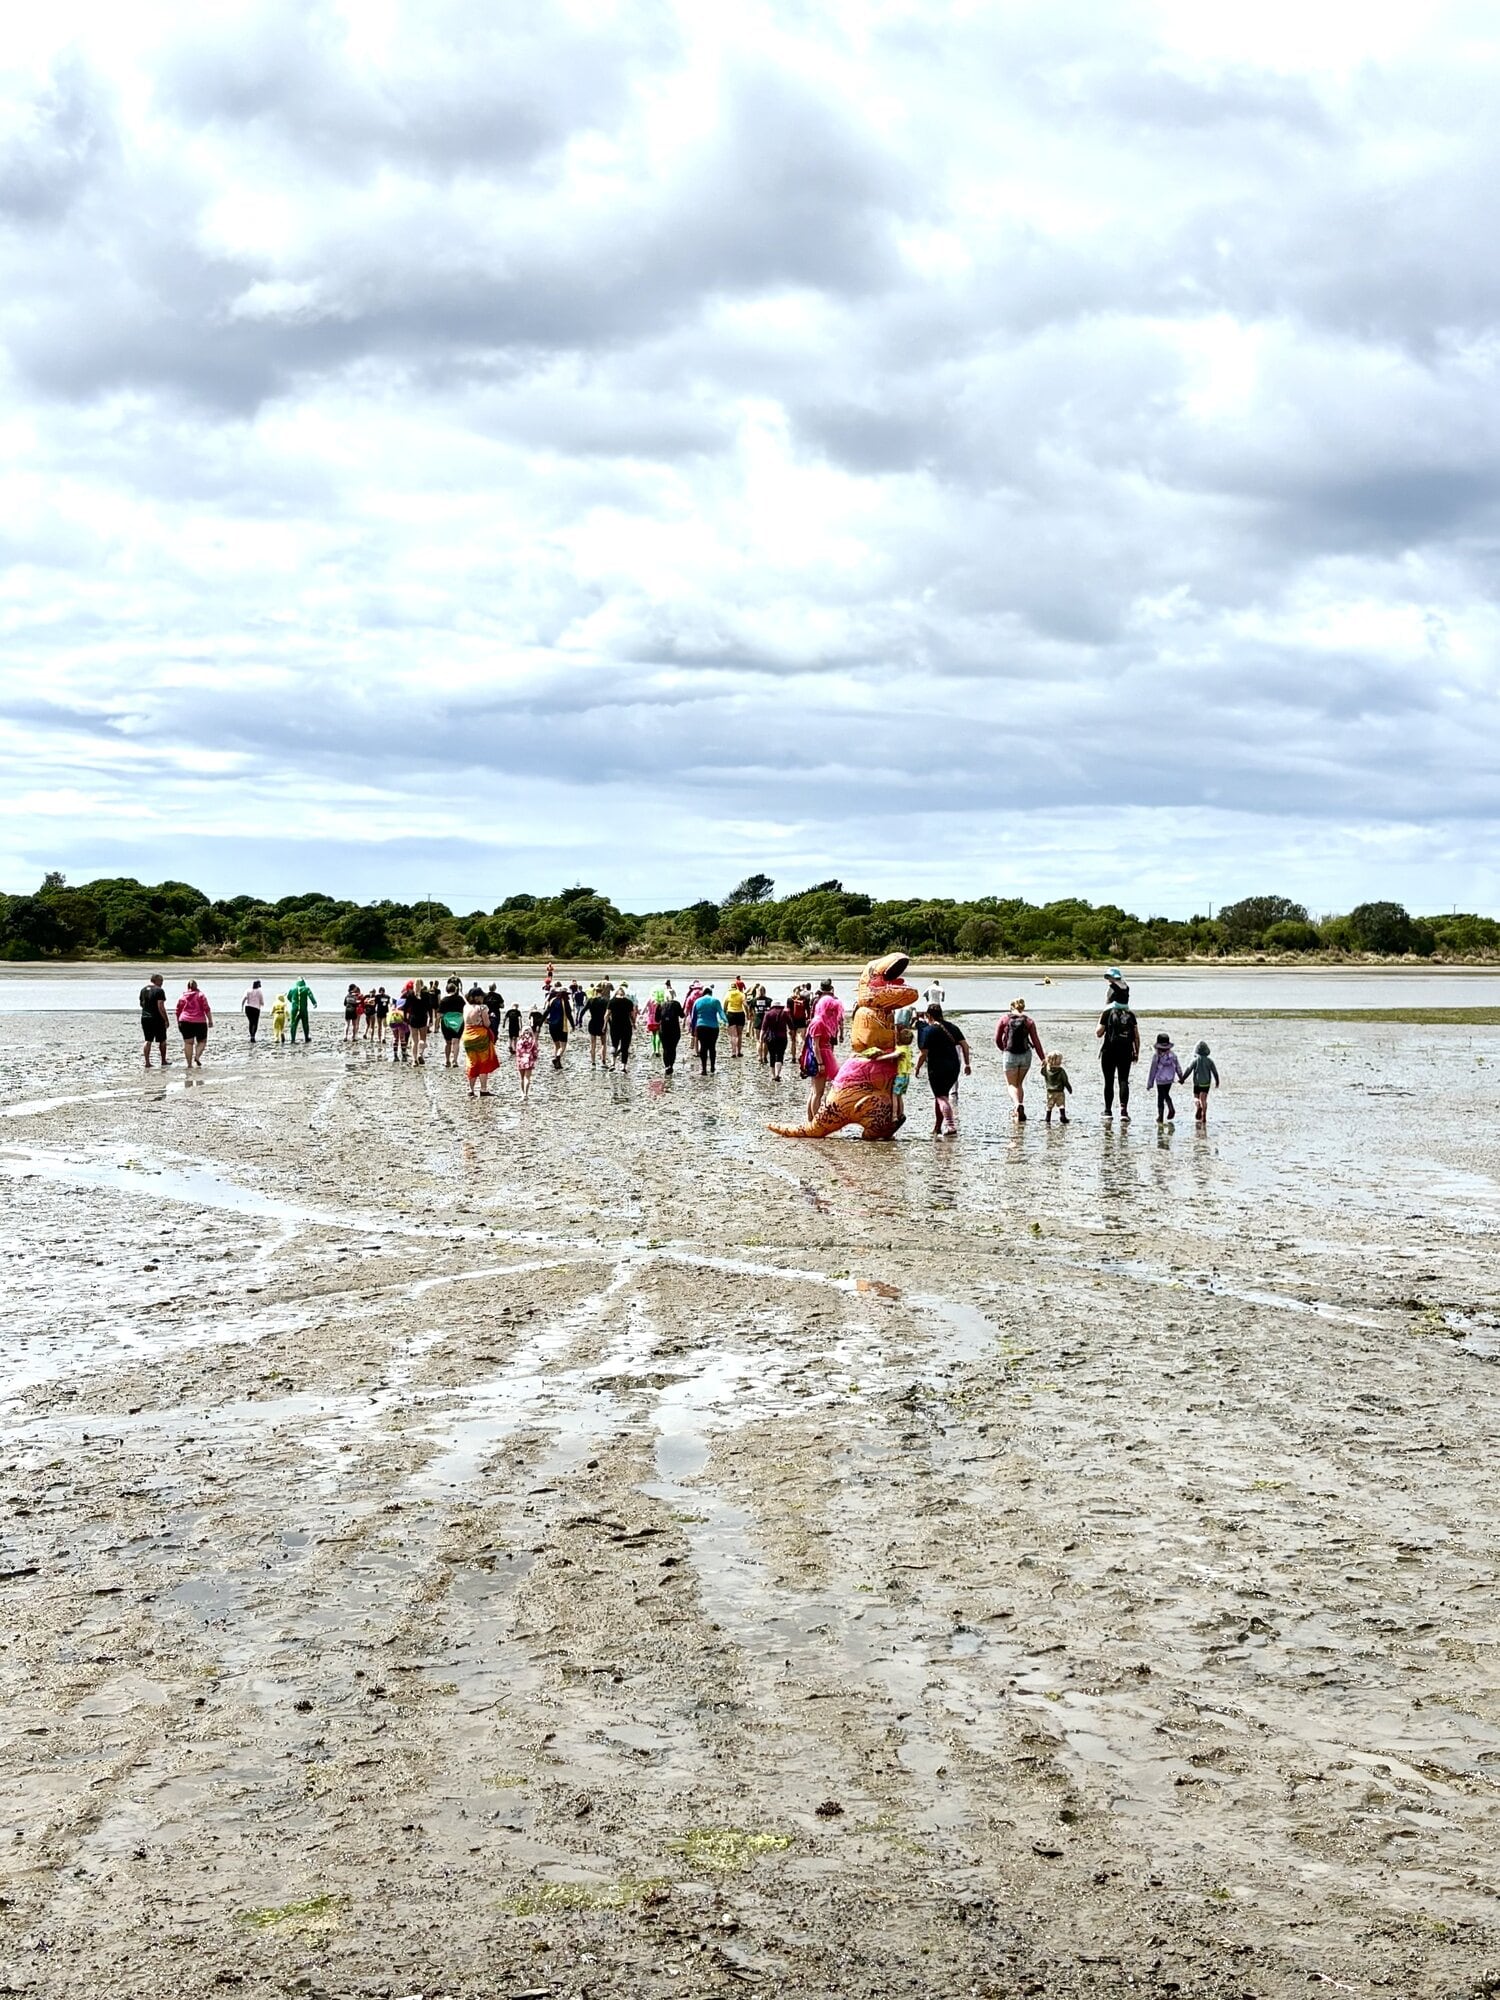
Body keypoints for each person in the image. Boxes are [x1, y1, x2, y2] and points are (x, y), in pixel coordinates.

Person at [915, 1003, 970, 1136]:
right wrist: (967, 1064)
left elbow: (923, 1053)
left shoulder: (929, 1030)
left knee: (941, 1097)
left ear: (928, 1015)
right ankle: (937, 1127)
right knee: (941, 1095)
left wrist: (917, 1067)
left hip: (937, 1067)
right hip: (954, 1066)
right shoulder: (952, 1027)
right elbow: (965, 1046)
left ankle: (950, 1124)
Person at [994, 997, 1046, 1121]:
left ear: (1011, 1007)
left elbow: (997, 1039)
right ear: (1023, 1007)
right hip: (1025, 1055)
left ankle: (1017, 1105)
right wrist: (1043, 1058)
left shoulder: (1004, 1019)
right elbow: (1036, 1041)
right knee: (1019, 1084)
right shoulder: (1029, 1021)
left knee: (1011, 1085)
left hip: (1010, 1054)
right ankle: (1018, 1109)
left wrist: (1004, 1049)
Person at [1096, 986, 1140, 1121]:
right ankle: (1123, 1112)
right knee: (1123, 1080)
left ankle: (1108, 1111)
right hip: (1125, 1051)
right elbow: (1137, 1036)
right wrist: (1136, 1052)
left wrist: (1100, 1018)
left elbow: (1098, 1033)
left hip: (1109, 1051)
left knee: (1108, 1081)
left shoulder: (1107, 1013)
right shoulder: (1131, 1015)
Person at [803, 981, 845, 1122]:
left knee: (815, 1091)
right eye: (831, 1010)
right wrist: (820, 1064)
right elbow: (815, 1046)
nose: (833, 1013)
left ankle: (811, 1119)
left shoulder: (820, 1021)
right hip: (819, 1057)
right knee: (818, 1092)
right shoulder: (819, 1022)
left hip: (822, 1056)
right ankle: (815, 1121)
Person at [462, 985, 500, 1098]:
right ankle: (483, 1089)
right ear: (477, 997)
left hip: (467, 1036)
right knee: (483, 1062)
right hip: (480, 1036)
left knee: (472, 1062)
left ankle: (471, 1089)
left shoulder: (465, 1007)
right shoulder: (483, 1008)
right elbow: (487, 1023)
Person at [175, 978, 213, 1068]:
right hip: (199, 1021)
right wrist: (210, 1020)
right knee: (202, 1041)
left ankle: (189, 1064)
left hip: (184, 1021)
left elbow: (177, 1010)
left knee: (188, 1043)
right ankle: (197, 1056)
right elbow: (206, 1008)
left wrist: (178, 1021)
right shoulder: (201, 995)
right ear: (197, 986)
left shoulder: (182, 996)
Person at [1148, 1033, 1185, 1124]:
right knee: (1166, 1094)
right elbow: (1178, 1067)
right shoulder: (1172, 1055)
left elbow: (1153, 1070)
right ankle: (1169, 1107)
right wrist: (1181, 1077)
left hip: (1160, 1080)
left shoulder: (1156, 1056)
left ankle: (1161, 1115)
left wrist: (1150, 1083)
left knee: (1161, 1097)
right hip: (1169, 1079)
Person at [692, 985, 726, 1074]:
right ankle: (712, 1067)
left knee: (703, 1046)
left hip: (701, 1026)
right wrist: (726, 1021)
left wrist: (693, 1029)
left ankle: (704, 1069)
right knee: (712, 1047)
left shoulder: (697, 1001)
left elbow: (693, 1017)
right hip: (713, 1027)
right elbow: (721, 1013)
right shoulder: (715, 1001)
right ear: (711, 992)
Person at [139, 973, 170, 1068]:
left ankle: (147, 1062)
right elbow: (160, 1006)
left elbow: (141, 1004)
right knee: (162, 1040)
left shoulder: (143, 990)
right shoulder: (159, 990)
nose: (162, 983)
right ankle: (163, 1060)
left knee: (148, 1040)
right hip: (157, 1018)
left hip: (145, 1017)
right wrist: (166, 1019)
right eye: (161, 981)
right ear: (156, 980)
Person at [1189, 1040, 1221, 1123]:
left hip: (1197, 1083)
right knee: (1203, 1099)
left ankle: (1198, 1105)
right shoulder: (1210, 1061)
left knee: (1196, 1098)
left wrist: (1182, 1079)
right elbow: (1215, 1072)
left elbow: (1188, 1070)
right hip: (1206, 1083)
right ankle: (1204, 1116)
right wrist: (1217, 1081)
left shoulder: (1195, 1060)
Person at [760, 995, 789, 1080]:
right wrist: (793, 1034)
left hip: (771, 1038)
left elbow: (763, 1027)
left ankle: (773, 1075)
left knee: (772, 1055)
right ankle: (777, 1074)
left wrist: (761, 1038)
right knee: (780, 1055)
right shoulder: (785, 1013)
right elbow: (791, 1025)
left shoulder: (768, 1014)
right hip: (782, 1037)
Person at [607, 984, 637, 1068]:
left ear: (616, 993)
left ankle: (613, 1063)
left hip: (615, 1026)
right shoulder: (628, 1002)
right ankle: (623, 1066)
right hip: (626, 1026)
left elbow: (607, 1014)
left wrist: (604, 1024)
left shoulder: (612, 1001)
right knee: (625, 1047)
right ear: (624, 994)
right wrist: (634, 1023)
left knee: (614, 1044)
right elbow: (632, 1015)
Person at [658, 988, 685, 1076]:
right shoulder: (676, 1004)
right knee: (672, 1049)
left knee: (665, 1048)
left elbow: (656, 1019)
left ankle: (667, 1066)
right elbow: (682, 1015)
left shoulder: (661, 1005)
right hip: (675, 1030)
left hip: (663, 1030)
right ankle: (671, 1065)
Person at [545, 985, 573, 1068]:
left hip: (552, 1025)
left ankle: (557, 1062)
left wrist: (541, 1022)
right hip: (561, 1026)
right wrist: (573, 1025)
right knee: (563, 1046)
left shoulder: (552, 1000)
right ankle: (557, 1057)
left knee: (556, 1044)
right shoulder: (565, 1002)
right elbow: (569, 1015)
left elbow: (547, 1012)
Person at [438, 985, 466, 1069]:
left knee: (448, 1042)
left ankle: (447, 1060)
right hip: (459, 1021)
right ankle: (455, 1060)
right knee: (456, 1042)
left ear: (447, 990)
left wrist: (436, 1024)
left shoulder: (444, 1000)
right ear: (455, 989)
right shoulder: (460, 999)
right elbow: (465, 1007)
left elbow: (439, 1014)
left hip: (446, 1022)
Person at [404, 980, 431, 1064]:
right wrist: (431, 1019)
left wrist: (405, 1019)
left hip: (413, 1019)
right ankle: (420, 1054)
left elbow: (405, 1008)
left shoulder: (410, 995)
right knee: (422, 1039)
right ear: (422, 985)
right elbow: (429, 1008)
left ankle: (414, 1060)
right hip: (423, 1018)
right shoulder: (426, 995)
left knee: (414, 1041)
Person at [1042, 1050, 1072, 1124]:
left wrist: (1044, 1065)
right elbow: (1065, 1080)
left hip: (1050, 1092)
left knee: (1049, 1105)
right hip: (1059, 1091)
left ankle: (1048, 1117)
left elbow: (1042, 1072)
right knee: (1061, 1104)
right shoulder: (1061, 1071)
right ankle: (1062, 1116)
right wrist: (1069, 1088)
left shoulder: (1046, 1070)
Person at [585, 984, 610, 1067]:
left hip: (593, 1022)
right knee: (603, 1043)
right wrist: (609, 1023)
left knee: (593, 1043)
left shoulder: (591, 1000)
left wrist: (578, 1020)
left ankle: (593, 1061)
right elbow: (608, 1013)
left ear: (595, 992)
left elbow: (583, 1011)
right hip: (602, 1023)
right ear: (602, 992)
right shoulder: (605, 1001)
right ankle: (603, 1060)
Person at [287, 977, 316, 1044]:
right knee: (305, 1023)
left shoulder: (292, 989)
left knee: (293, 1024)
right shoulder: (306, 989)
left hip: (295, 1009)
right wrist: (314, 1003)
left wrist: (293, 1001)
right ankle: (306, 1037)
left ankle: (293, 1039)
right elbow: (311, 995)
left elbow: (288, 997)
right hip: (303, 1009)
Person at [515, 1020, 539, 1100]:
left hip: (520, 1061)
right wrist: (535, 1058)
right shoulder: (532, 1041)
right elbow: (535, 1051)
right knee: (527, 1078)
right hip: (529, 1060)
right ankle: (526, 1093)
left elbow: (517, 1052)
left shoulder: (519, 1041)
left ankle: (522, 1093)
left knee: (521, 1078)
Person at [724, 978, 747, 1057]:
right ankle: (739, 1051)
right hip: (740, 1014)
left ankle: (733, 1052)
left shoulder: (728, 994)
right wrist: (747, 1013)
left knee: (733, 1035)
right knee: (739, 1034)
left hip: (731, 1014)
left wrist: (724, 1013)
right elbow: (745, 1004)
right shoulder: (741, 994)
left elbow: (725, 1005)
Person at [788, 985, 809, 1067]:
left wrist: (788, 1023)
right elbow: (808, 1011)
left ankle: (793, 1057)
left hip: (793, 1022)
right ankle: (801, 1055)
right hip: (802, 1021)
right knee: (802, 1039)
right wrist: (808, 1019)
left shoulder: (790, 1000)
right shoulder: (805, 999)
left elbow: (788, 1012)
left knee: (793, 1041)